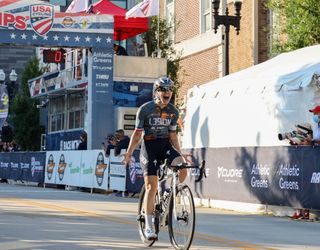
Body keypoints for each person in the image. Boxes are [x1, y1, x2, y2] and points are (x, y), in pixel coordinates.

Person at [123, 76, 187, 240]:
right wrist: (129, 153)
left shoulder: (173, 111)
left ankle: (172, 194)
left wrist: (180, 154)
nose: (167, 92)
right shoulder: (145, 109)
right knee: (151, 187)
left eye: (170, 89)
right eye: (163, 89)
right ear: (156, 92)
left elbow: (173, 135)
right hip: (149, 147)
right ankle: (150, 226)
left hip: (165, 145)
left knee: (182, 168)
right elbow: (137, 135)